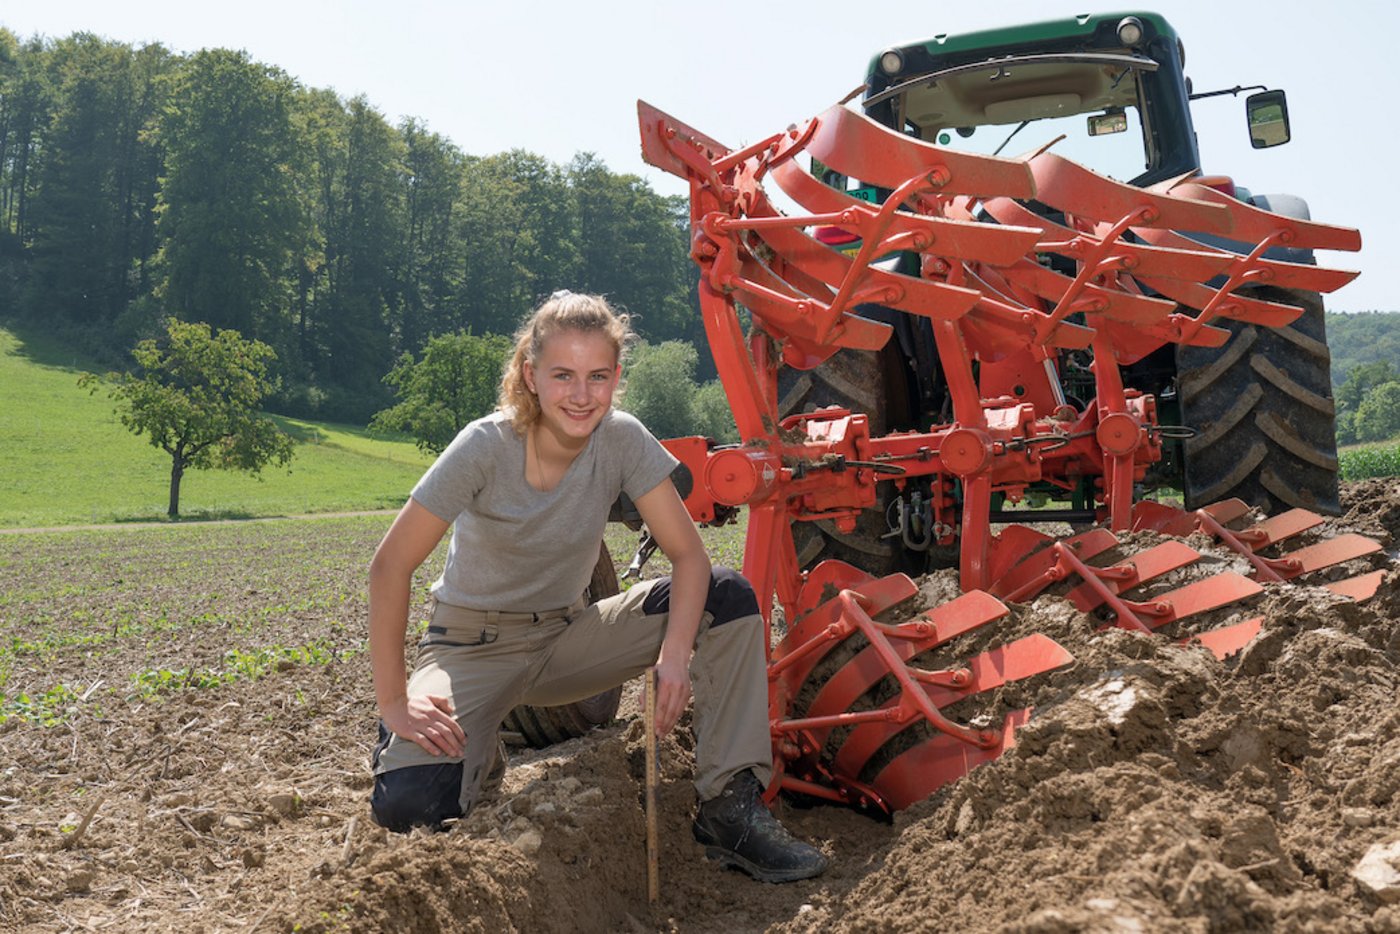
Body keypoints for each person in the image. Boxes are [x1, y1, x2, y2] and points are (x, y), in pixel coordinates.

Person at [366, 291, 828, 884]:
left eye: (597, 376)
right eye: (563, 375)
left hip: (566, 638)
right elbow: (390, 566)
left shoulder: (622, 439)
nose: (581, 395)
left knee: (727, 597)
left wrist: (674, 655)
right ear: (530, 376)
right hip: (469, 649)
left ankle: (728, 811)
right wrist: (394, 703)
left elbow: (688, 556)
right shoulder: (485, 446)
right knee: (410, 807)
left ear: (615, 378)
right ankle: (474, 754)